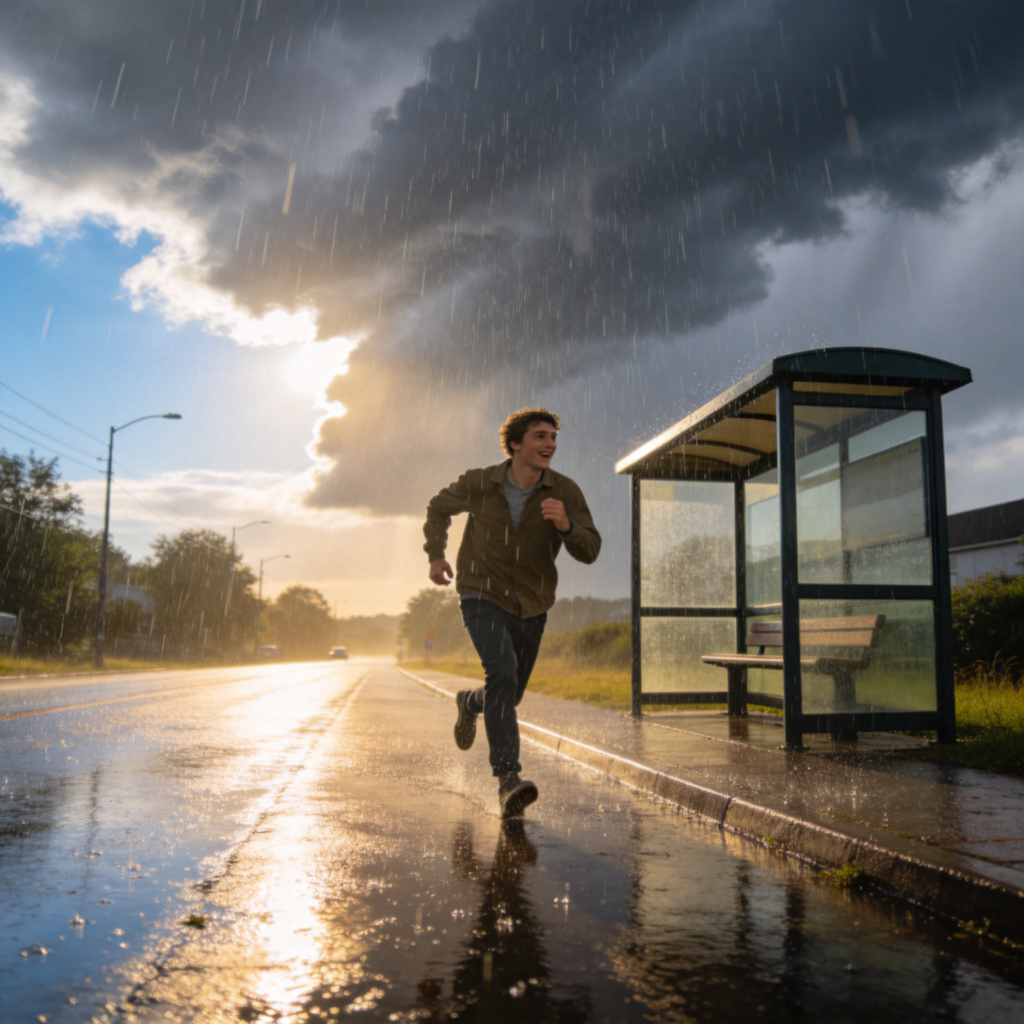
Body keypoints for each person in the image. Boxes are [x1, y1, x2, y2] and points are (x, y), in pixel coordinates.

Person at [423, 407, 601, 818]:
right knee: (501, 673)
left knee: (509, 692)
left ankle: (469, 702)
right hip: (481, 593)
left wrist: (566, 527)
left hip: (533, 602)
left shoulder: (564, 492)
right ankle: (508, 781)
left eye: (553, 438)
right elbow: (437, 507)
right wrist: (436, 555)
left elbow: (590, 549)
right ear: (516, 444)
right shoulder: (480, 482)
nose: (550, 445)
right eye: (540, 436)